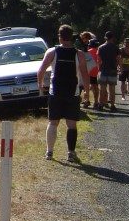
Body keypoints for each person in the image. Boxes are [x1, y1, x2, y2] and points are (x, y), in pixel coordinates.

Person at [37, 24, 91, 162]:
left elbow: (41, 69)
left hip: (55, 92)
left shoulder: (52, 52)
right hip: (72, 93)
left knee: (53, 123)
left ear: (60, 37)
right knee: (71, 125)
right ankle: (71, 153)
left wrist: (40, 84)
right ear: (72, 37)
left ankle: (49, 152)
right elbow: (85, 74)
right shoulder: (79, 54)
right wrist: (87, 92)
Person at [96, 31, 121, 112]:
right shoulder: (115, 47)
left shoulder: (100, 47)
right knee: (112, 89)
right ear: (112, 38)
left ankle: (100, 104)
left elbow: (98, 60)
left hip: (103, 70)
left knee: (102, 89)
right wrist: (117, 66)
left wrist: (99, 69)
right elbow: (118, 59)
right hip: (112, 70)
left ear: (105, 37)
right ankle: (112, 105)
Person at [78, 31, 99, 108]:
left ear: (87, 38)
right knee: (92, 85)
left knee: (88, 85)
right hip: (93, 67)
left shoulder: (89, 45)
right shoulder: (93, 44)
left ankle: (90, 101)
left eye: (83, 38)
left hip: (89, 68)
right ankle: (92, 101)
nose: (82, 40)